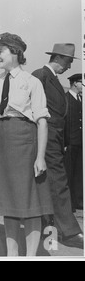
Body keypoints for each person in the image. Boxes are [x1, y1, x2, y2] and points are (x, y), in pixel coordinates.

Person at [0, 33, 53, 256]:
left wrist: (40, 156)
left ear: (15, 52)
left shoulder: (32, 83)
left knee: (30, 203)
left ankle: (30, 256)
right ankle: (12, 256)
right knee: (8, 204)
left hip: (25, 144)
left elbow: (42, 122)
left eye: (0, 51)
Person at [32, 44, 83, 249]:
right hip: (47, 138)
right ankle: (70, 232)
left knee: (52, 184)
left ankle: (51, 227)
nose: (70, 66)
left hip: (56, 140)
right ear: (59, 58)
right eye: (69, 61)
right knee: (59, 183)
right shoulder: (40, 76)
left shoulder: (53, 79)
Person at [64, 73, 83, 211]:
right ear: (75, 83)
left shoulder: (80, 99)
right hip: (69, 143)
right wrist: (64, 143)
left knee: (78, 173)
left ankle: (78, 201)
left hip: (79, 143)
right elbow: (64, 122)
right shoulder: (66, 99)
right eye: (82, 83)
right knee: (68, 173)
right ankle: (68, 203)